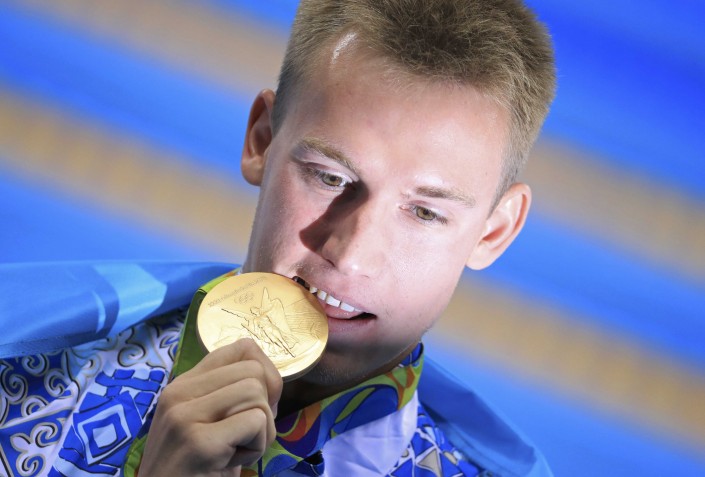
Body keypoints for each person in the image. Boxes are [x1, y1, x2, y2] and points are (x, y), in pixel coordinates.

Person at [0, 0, 555, 475]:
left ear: (494, 231)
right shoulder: (21, 377)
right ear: (262, 140)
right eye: (330, 178)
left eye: (426, 213)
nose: (352, 254)